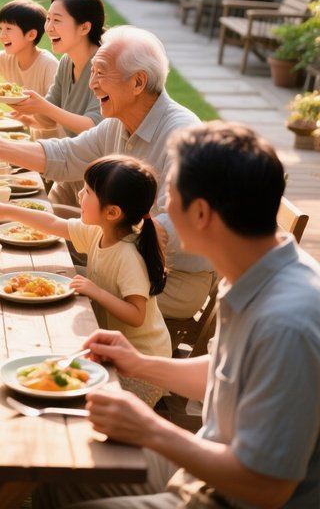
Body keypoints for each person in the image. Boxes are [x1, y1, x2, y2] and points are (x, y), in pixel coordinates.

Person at [36, 121, 320, 509]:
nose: (160, 211)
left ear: (201, 212)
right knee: (59, 468)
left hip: (228, 496)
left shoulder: (288, 322)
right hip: (205, 462)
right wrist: (138, 363)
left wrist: (151, 428)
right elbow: (224, 373)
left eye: (170, 197)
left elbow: (266, 488)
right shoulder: (254, 272)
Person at [0, 25, 214, 319]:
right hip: (125, 259)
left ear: (138, 82)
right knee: (32, 273)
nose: (92, 84)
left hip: (170, 278)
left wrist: (104, 233)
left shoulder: (183, 135)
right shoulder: (119, 122)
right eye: (93, 72)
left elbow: (182, 226)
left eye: (101, 72)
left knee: (44, 284)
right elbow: (64, 156)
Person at [0, 154, 171, 405]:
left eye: (88, 192)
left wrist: (95, 291)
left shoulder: (128, 255)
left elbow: (137, 315)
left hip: (141, 368)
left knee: (64, 391)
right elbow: (53, 223)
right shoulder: (99, 231)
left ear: (112, 212)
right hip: (112, 349)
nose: (79, 195)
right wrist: (6, 209)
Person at [10, 0, 105, 204]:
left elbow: (94, 126)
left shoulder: (103, 66)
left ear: (84, 28)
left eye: (57, 20)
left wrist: (42, 106)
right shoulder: (66, 62)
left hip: (99, 179)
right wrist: (26, 109)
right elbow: (47, 119)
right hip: (72, 170)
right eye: (48, 19)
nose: (49, 27)